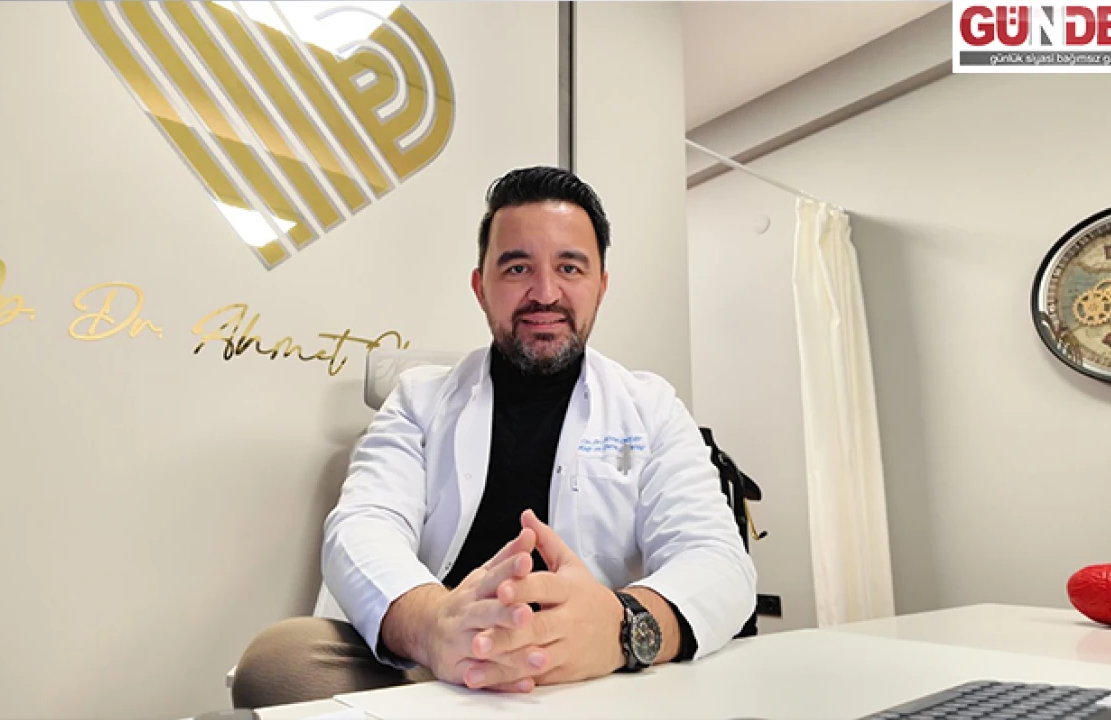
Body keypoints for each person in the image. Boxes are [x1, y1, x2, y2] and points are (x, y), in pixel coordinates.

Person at [231, 166, 758, 708]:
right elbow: (362, 525)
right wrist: (433, 624)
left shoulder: (651, 408)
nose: (545, 293)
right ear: (481, 288)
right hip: (438, 667)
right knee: (281, 663)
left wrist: (623, 627)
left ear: (601, 285)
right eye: (517, 268)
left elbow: (717, 558)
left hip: (591, 672)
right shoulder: (417, 400)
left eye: (569, 267)